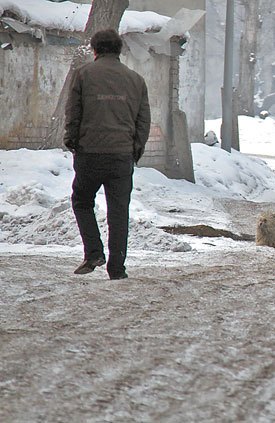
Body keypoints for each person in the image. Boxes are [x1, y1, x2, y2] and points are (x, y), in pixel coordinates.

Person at [64, 28, 151, 279]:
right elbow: (143, 120)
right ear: (119, 50)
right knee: (119, 211)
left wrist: (72, 141)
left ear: (94, 49)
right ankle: (117, 268)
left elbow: (74, 113)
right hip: (121, 156)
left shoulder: (83, 75)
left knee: (81, 201)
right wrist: (135, 149)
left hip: (89, 153)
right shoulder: (136, 80)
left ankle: (93, 253)